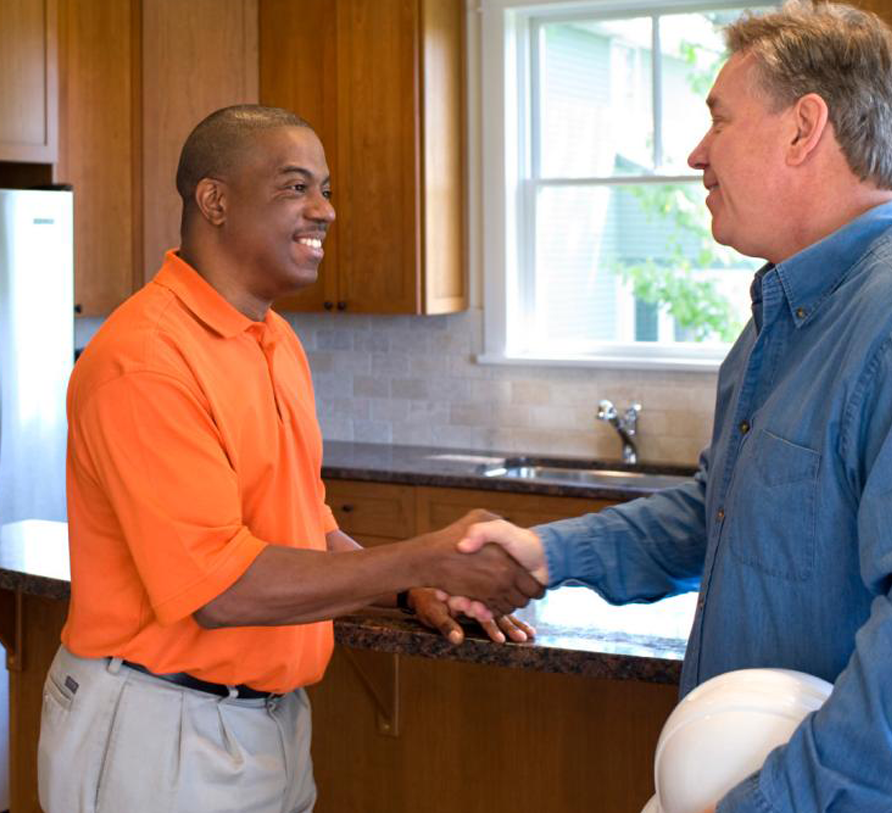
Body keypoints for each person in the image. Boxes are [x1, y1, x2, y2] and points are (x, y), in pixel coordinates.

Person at [452, 0, 892, 812]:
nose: (697, 152)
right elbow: (722, 510)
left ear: (802, 129)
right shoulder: (781, 323)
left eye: (719, 119)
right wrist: (547, 554)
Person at [38, 104, 542, 813]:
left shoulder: (274, 340)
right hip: (159, 729)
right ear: (215, 200)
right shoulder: (147, 361)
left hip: (269, 723)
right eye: (296, 186)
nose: (325, 210)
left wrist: (408, 589)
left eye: (325, 189)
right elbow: (220, 592)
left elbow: (305, 531)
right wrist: (423, 557)